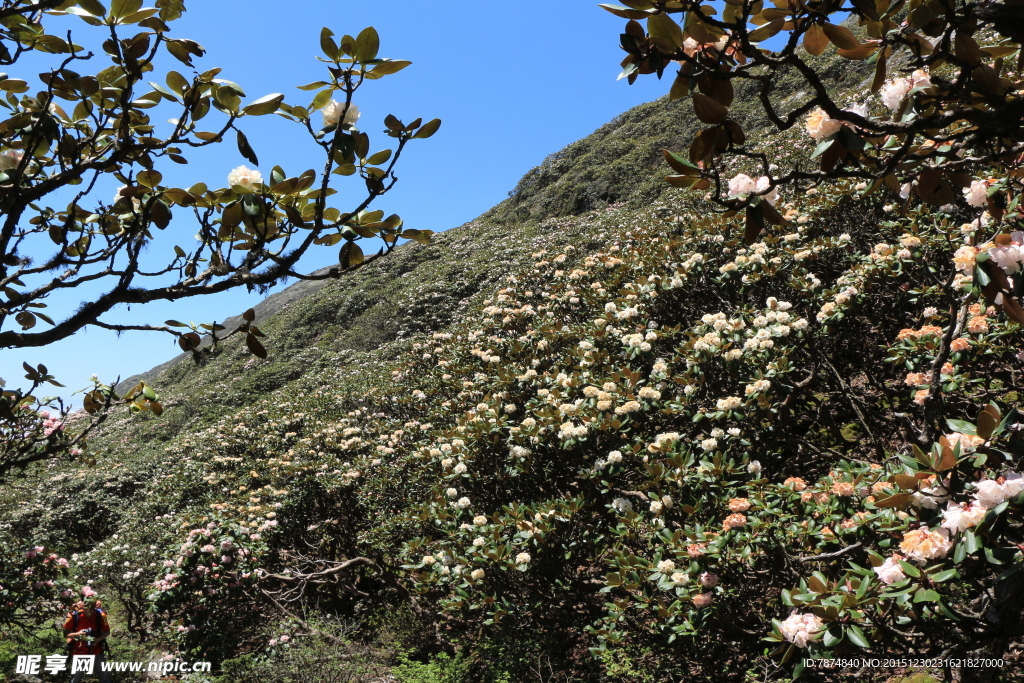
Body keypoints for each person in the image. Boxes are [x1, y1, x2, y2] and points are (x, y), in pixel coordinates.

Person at [63, 597, 111, 683]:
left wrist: (98, 639)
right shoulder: (74, 615)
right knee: (77, 676)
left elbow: (107, 631)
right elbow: (66, 634)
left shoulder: (100, 615)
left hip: (97, 650)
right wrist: (78, 634)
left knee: (103, 676)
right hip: (79, 651)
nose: (89, 610)